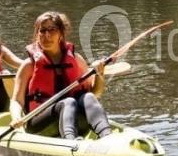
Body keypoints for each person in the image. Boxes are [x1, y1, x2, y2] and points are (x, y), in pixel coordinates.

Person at [13, 11, 113, 140]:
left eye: (52, 30)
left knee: (88, 97)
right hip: (41, 124)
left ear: (61, 33)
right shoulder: (28, 65)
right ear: (37, 34)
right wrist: (16, 117)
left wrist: (100, 74)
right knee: (68, 102)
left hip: (75, 120)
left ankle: (107, 136)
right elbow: (17, 100)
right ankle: (70, 141)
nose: (47, 35)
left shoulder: (76, 60)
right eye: (42, 31)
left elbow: (96, 93)